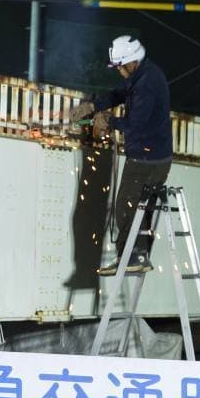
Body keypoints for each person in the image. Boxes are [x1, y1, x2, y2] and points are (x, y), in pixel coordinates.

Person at [69, 35, 172, 275]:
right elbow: (119, 93)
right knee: (141, 207)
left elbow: (137, 125)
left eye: (119, 67)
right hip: (158, 157)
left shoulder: (146, 85)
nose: (118, 71)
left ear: (131, 62)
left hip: (146, 160)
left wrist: (109, 121)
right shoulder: (144, 73)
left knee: (125, 205)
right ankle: (140, 255)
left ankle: (131, 257)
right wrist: (94, 106)